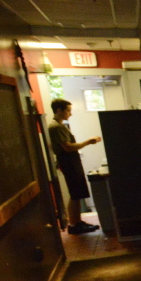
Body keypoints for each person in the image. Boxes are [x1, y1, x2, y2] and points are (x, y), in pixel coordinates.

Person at [47, 98, 101, 234]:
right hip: (68, 160)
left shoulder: (59, 125)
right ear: (59, 110)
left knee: (77, 192)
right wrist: (88, 141)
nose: (70, 114)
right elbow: (68, 147)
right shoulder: (56, 127)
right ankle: (74, 224)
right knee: (75, 193)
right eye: (68, 111)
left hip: (70, 160)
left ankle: (77, 221)